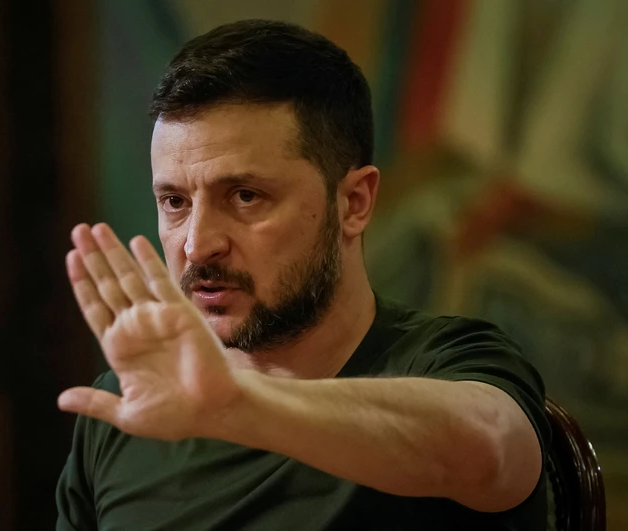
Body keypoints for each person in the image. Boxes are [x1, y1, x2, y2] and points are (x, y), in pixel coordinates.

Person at [55, 19, 549, 531]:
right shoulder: (132, 403)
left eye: (245, 196)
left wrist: (238, 404)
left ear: (354, 203)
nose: (197, 245)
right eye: (175, 202)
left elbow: (492, 449)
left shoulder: (451, 360)